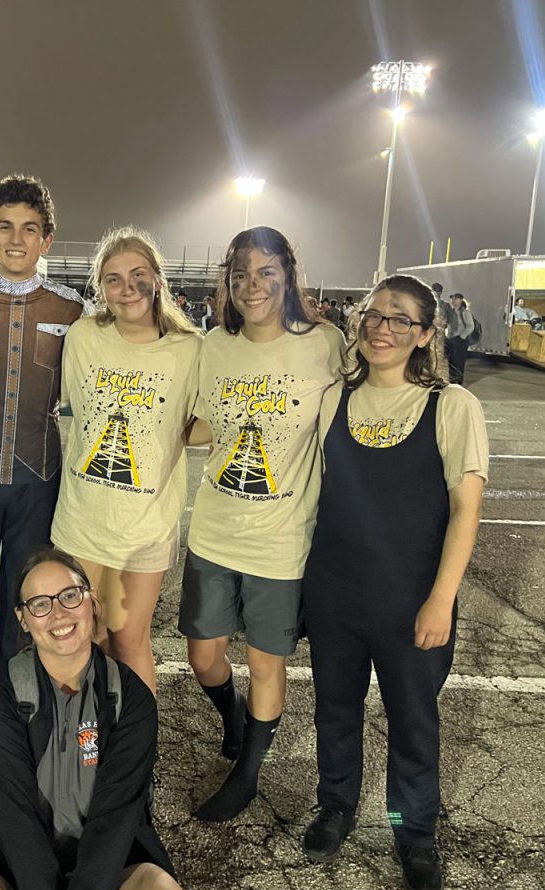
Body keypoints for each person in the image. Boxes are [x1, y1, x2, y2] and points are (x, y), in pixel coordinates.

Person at [301, 274, 487, 890]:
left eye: (401, 319)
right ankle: (337, 806)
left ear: (427, 335)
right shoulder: (334, 398)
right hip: (335, 591)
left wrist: (441, 600)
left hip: (411, 600)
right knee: (335, 708)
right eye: (373, 315)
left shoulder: (450, 405)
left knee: (412, 721)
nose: (383, 327)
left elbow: (466, 510)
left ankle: (413, 831)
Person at [180, 226, 346, 822]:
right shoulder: (213, 346)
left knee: (266, 662)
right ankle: (232, 719)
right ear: (228, 280)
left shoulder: (325, 344)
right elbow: (199, 421)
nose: (253, 285)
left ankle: (248, 774)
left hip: (281, 539)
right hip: (214, 532)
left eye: (266, 271)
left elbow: (360, 407)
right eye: (241, 273)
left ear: (288, 275)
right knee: (204, 656)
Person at [0, 549, 185, 890]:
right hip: (10, 857)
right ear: (23, 619)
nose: (58, 612)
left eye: (70, 595)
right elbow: (15, 819)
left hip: (112, 859)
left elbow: (116, 814)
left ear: (91, 601)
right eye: (40, 604)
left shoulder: (131, 696)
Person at [0, 174, 89, 763]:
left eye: (29, 228)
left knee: (20, 606)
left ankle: (12, 713)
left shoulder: (73, 310)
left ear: (47, 239)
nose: (16, 238)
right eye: (4, 227)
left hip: (38, 483)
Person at [51, 226, 201, 693]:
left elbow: (194, 424)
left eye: (138, 274)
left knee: (129, 639)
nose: (127, 287)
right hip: (85, 517)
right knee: (84, 637)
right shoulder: (83, 337)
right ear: (100, 288)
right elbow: (73, 406)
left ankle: (137, 753)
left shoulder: (190, 348)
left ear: (158, 280)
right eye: (113, 279)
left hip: (147, 522)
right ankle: (82, 745)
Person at [443, 293, 473, 385]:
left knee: (459, 363)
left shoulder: (465, 313)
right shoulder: (450, 312)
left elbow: (470, 326)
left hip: (460, 341)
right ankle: (452, 381)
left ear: (460, 300)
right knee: (450, 362)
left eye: (455, 299)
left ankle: (458, 382)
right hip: (450, 339)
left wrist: (461, 337)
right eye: (452, 298)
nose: (453, 300)